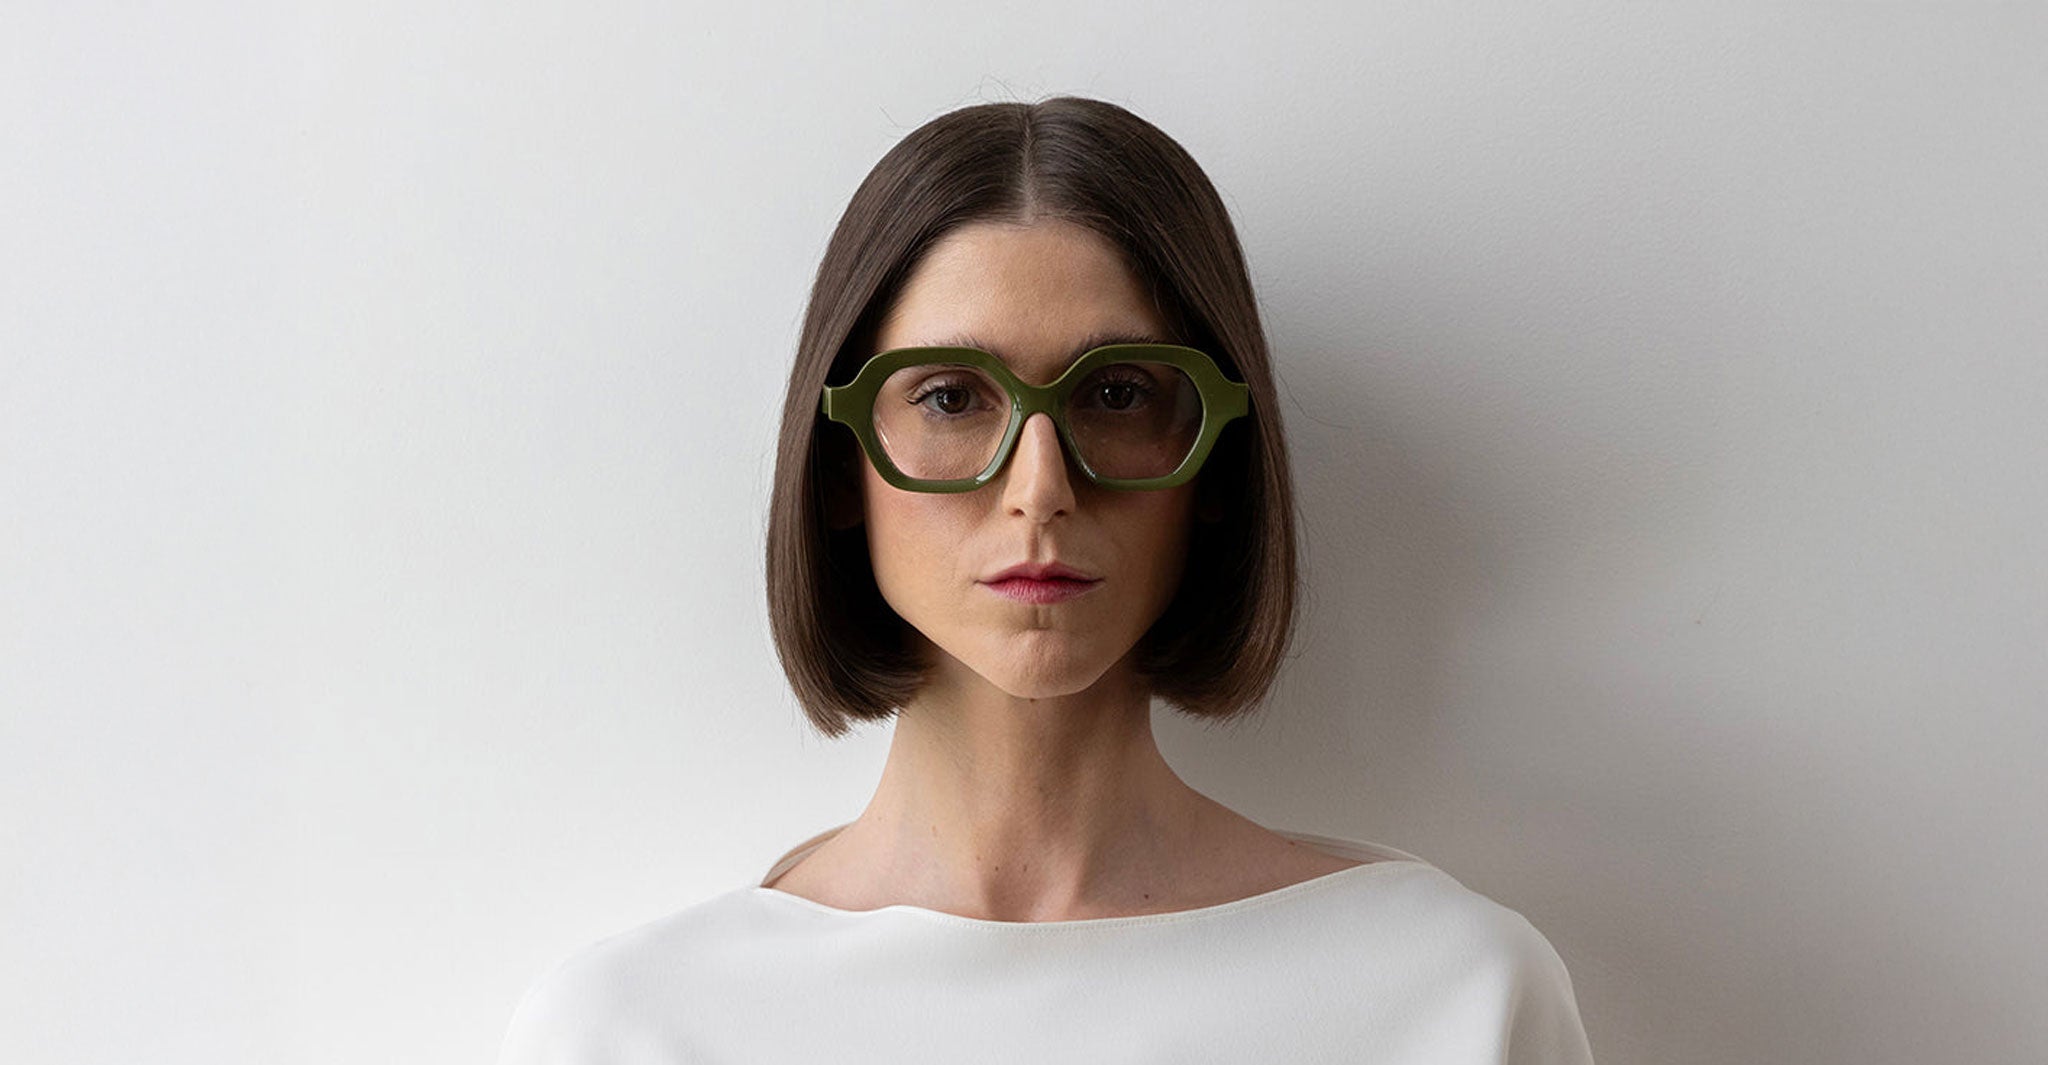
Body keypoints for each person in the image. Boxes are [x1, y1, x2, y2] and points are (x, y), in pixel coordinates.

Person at [495, 95, 1595, 1064]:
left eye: (1116, 395)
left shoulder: (1451, 995)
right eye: (947, 398)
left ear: (1212, 459)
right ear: (840, 466)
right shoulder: (632, 1032)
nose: (1039, 488)